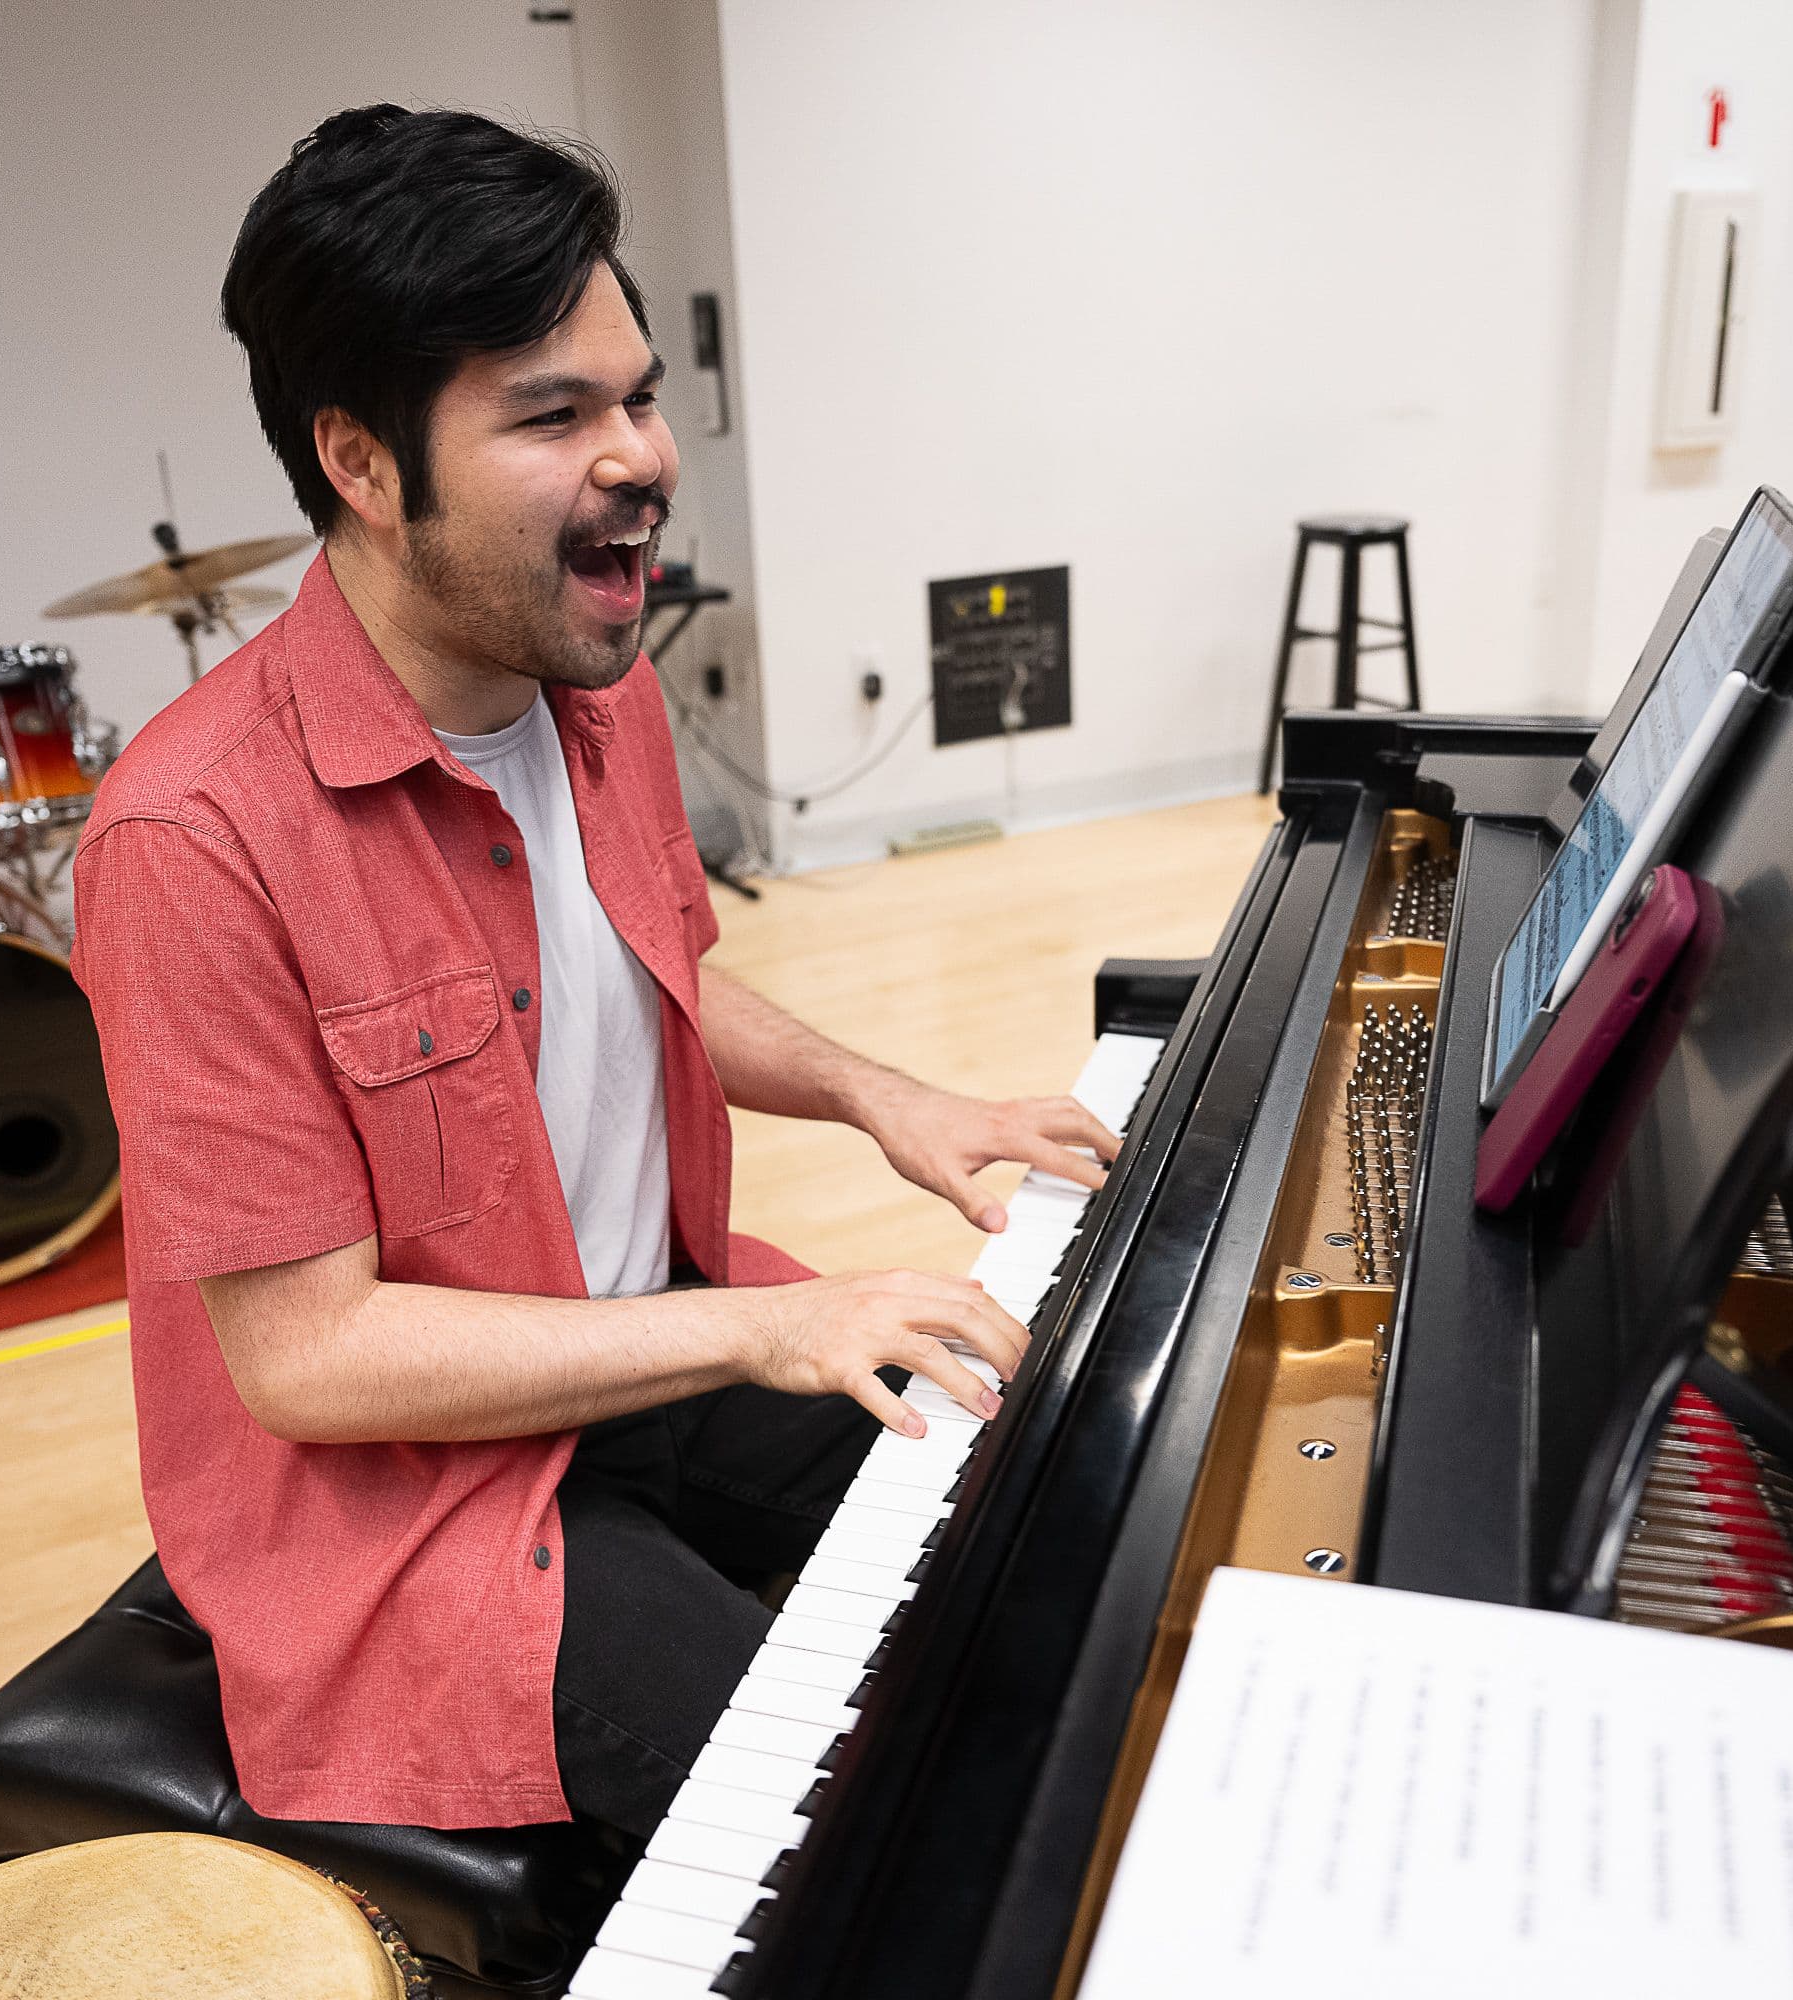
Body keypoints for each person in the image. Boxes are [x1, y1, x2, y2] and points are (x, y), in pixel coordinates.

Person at [68, 104, 1119, 1843]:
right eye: (554, 416)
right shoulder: (190, 840)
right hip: (424, 1511)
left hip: (654, 1356)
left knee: (1058, 1511)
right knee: (862, 1817)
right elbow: (308, 1363)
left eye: (637, 396)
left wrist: (885, 1095)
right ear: (360, 459)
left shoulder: (593, 669)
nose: (639, 455)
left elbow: (656, 977)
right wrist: (778, 1319)